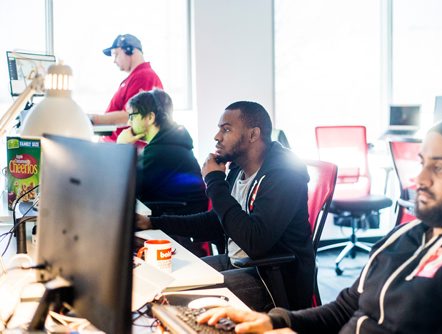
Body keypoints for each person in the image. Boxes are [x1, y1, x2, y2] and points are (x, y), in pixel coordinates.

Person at [197, 115, 442, 334]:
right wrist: (277, 321)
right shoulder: (403, 236)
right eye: (422, 164)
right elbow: (346, 307)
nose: (419, 179)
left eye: (439, 167)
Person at [136, 101, 315, 311]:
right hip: (238, 262)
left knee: (175, 300)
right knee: (164, 281)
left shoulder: (285, 175)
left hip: (272, 277)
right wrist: (152, 223)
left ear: (253, 135)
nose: (217, 136)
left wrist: (214, 181)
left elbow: (255, 241)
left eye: (226, 129)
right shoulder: (238, 169)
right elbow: (215, 221)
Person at [117, 89, 209, 256]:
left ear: (150, 117)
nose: (129, 123)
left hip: (180, 232)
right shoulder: (167, 144)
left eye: (132, 116)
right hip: (175, 218)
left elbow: (124, 187)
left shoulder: (162, 151)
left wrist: (121, 147)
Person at [89, 34, 163, 143]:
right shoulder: (134, 77)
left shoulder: (144, 77)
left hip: (128, 150)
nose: (114, 60)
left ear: (129, 50)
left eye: (116, 54)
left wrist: (93, 119)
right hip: (118, 147)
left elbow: (130, 115)